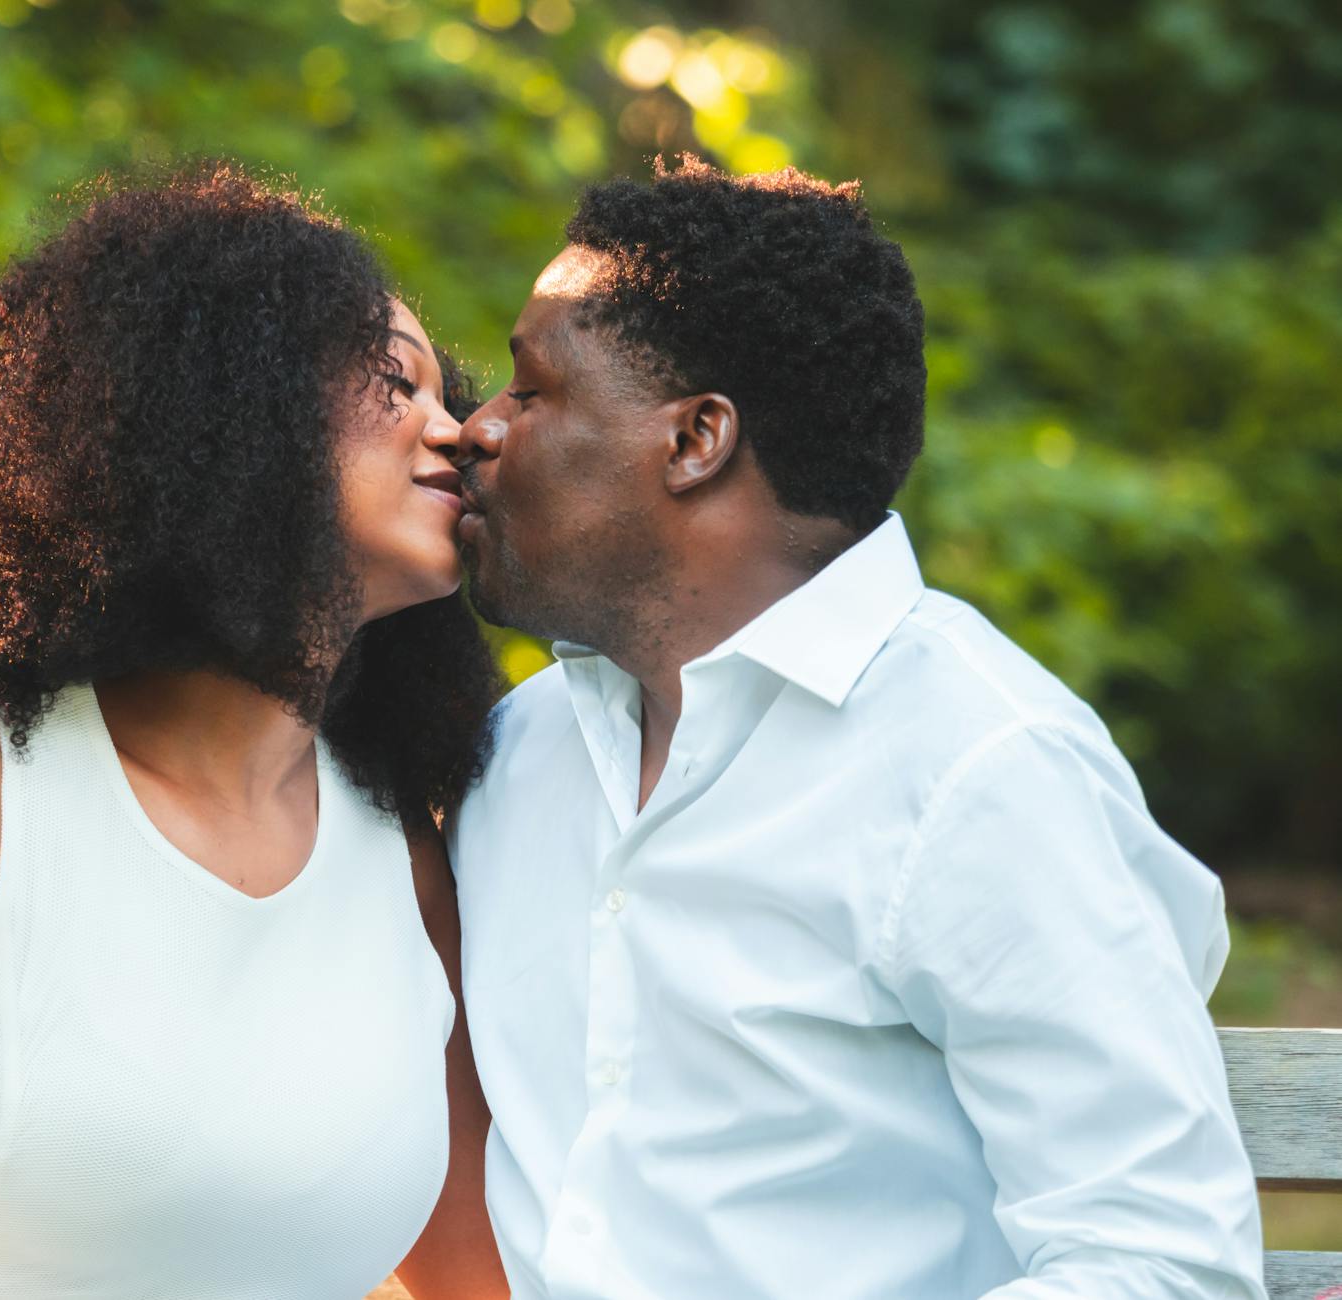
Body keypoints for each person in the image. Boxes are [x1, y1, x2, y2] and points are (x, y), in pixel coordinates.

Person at [442, 156, 1267, 1299]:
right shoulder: (518, 753)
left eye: (530, 393)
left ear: (695, 440)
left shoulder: (982, 764)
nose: (471, 429)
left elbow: (1158, 1258)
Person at [0, 161, 509, 1300]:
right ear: (230, 407)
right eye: (394, 379)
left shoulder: (402, 843)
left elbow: (472, 1280)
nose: (457, 432)